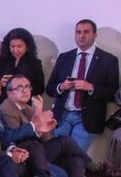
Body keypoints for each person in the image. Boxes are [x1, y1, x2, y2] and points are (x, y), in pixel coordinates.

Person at [46, 18, 120, 153]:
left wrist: (91, 88)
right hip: (62, 116)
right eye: (78, 32)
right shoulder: (64, 57)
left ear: (95, 35)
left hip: (87, 118)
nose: (81, 35)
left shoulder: (109, 60)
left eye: (86, 32)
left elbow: (112, 92)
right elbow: (50, 88)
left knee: (75, 159)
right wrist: (61, 87)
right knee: (56, 156)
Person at [0, 27, 46, 97]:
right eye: (12, 46)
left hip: (24, 104)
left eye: (19, 46)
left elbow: (40, 89)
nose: (15, 50)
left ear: (27, 46)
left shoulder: (35, 63)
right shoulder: (1, 61)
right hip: (2, 101)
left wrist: (25, 88)